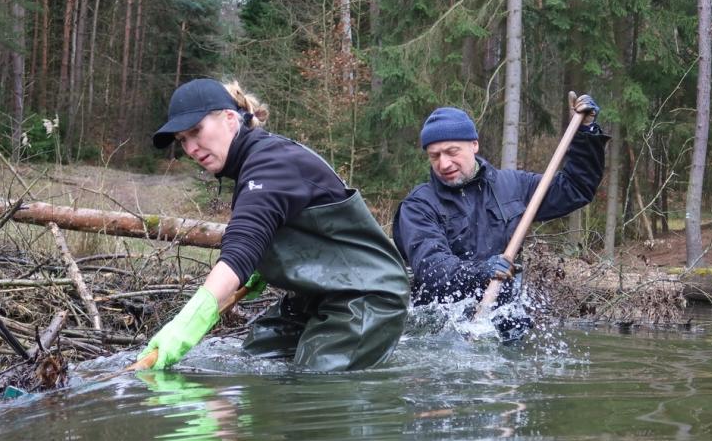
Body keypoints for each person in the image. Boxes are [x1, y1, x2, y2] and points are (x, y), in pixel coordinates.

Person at [141, 78, 409, 371]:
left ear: (230, 119)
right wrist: (264, 266)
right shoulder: (255, 162)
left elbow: (240, 249)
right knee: (257, 355)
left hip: (366, 294)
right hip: (318, 293)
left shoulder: (270, 164)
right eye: (182, 140)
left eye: (196, 131)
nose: (191, 148)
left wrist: (184, 328)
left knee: (316, 385)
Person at [393, 93, 608, 309]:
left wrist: (585, 134)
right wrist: (481, 271)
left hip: (502, 321)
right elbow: (432, 269)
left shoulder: (514, 186)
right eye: (435, 156)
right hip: (443, 327)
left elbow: (575, 188)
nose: (444, 163)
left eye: (452, 152)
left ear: (474, 145)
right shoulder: (418, 206)